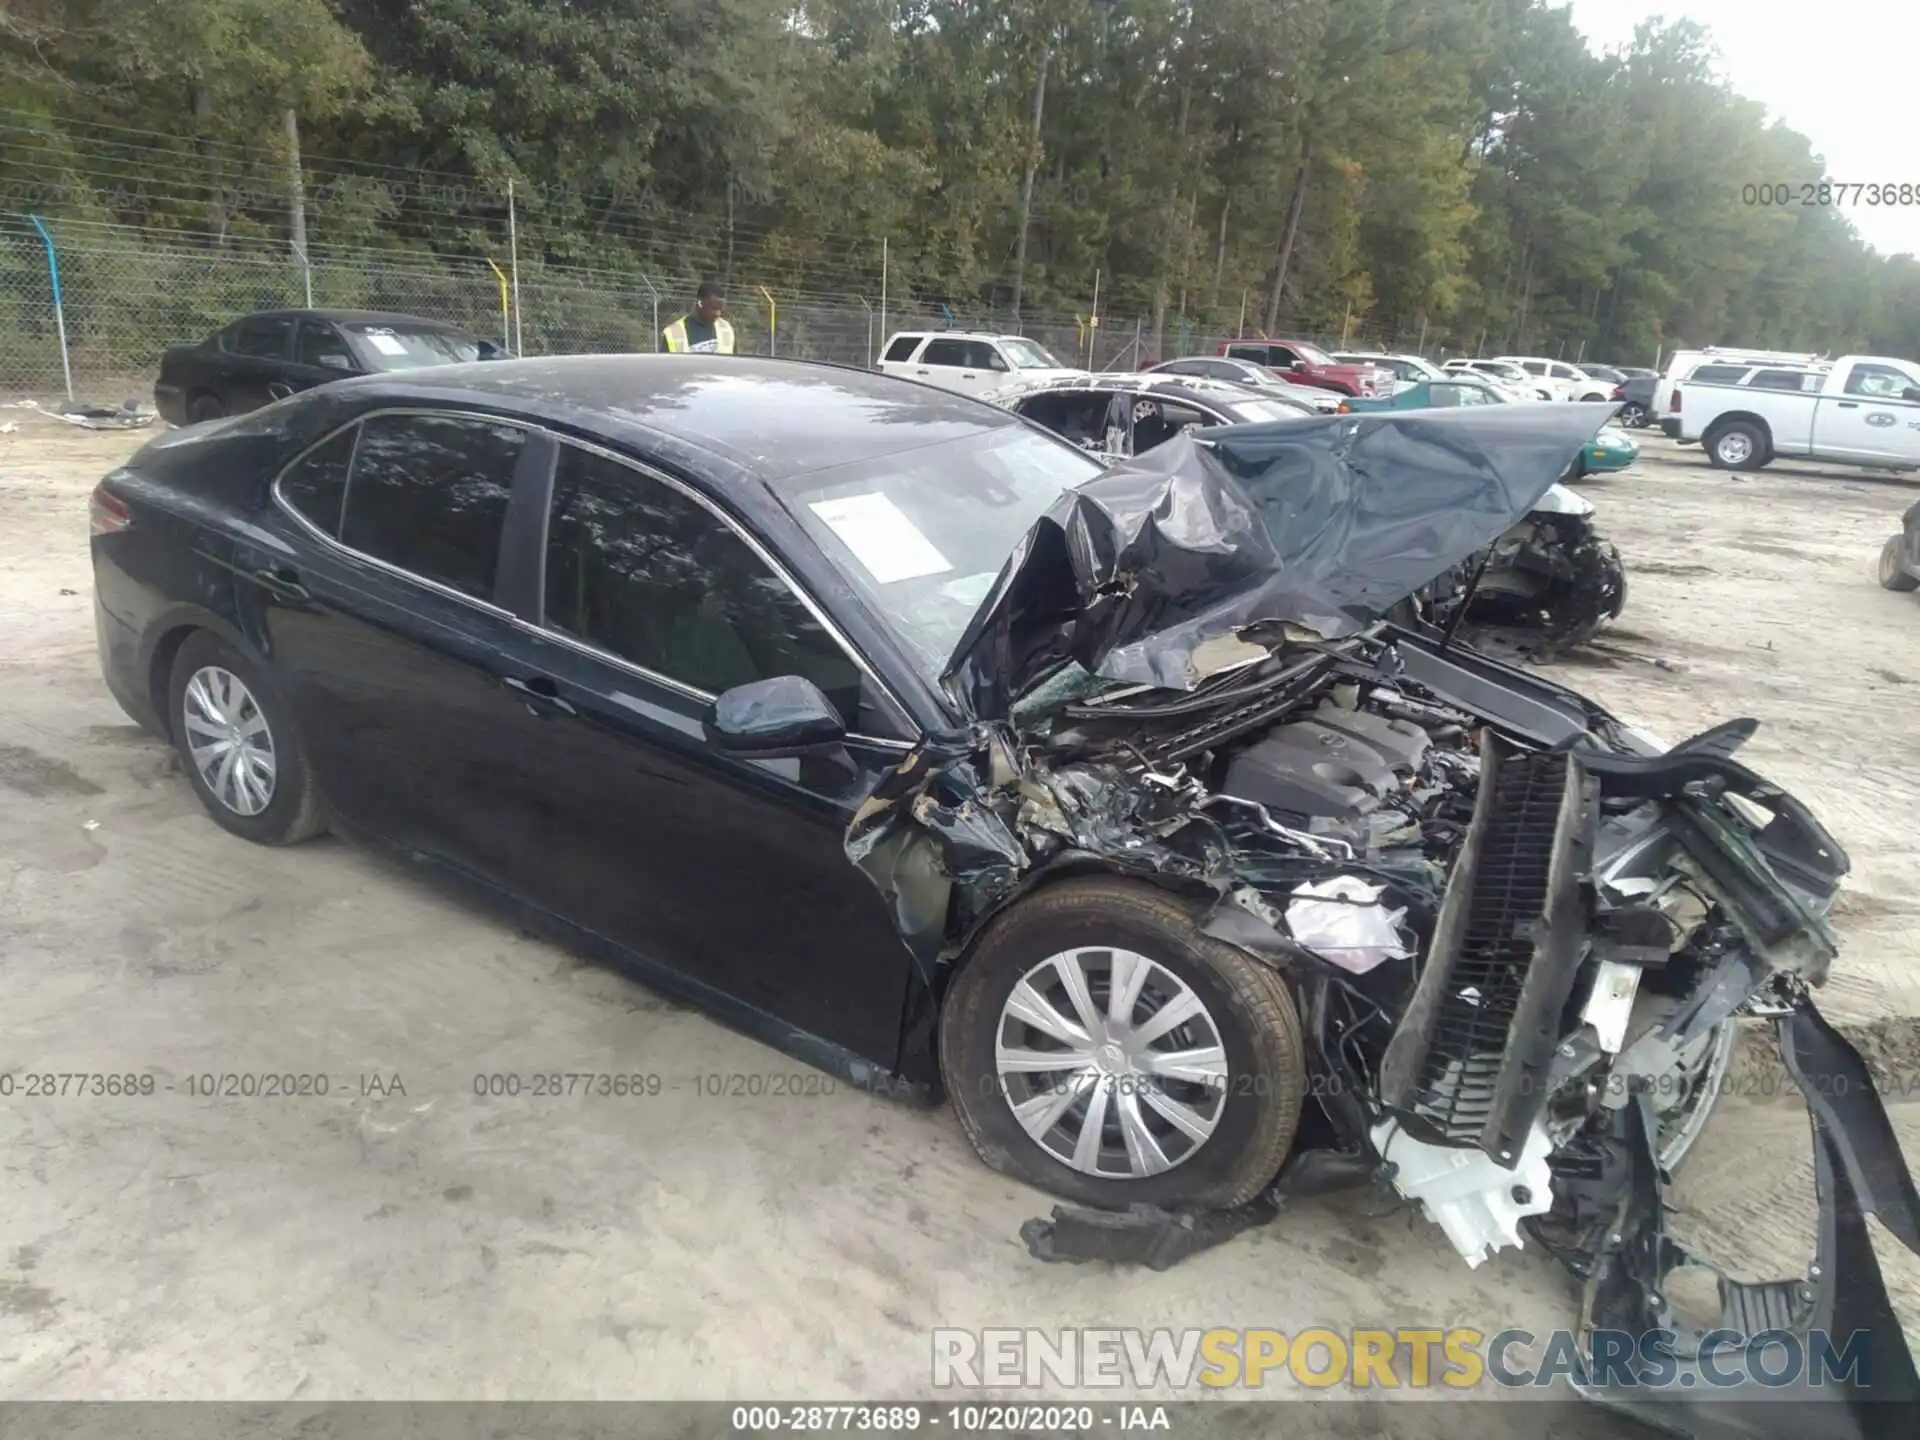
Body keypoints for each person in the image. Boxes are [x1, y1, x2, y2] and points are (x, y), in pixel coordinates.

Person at [662, 281, 735, 354]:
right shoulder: (674, 333)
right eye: (714, 308)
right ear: (700, 303)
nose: (718, 313)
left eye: (720, 309)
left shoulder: (726, 329)